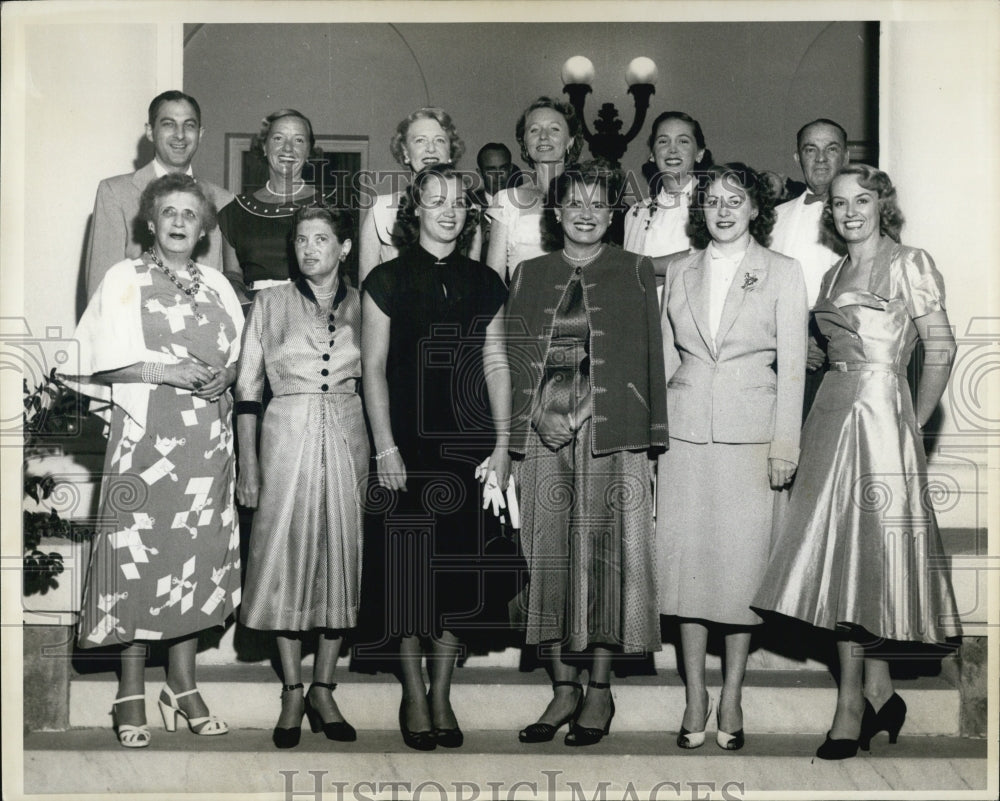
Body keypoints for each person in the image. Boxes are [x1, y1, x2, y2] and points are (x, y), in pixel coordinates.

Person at [752, 165, 961, 760]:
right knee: (838, 560)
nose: (849, 211)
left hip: (881, 421)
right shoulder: (833, 272)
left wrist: (913, 424)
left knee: (869, 558)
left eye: (861, 200)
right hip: (829, 416)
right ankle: (879, 691)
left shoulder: (909, 262)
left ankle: (851, 708)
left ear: (882, 205)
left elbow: (941, 348)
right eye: (840, 203)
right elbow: (821, 348)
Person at [70, 174, 244, 748]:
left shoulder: (218, 284)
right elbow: (89, 363)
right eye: (167, 211)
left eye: (189, 214)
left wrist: (229, 376)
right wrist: (161, 370)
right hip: (146, 440)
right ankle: (129, 693)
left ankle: (184, 686)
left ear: (203, 228)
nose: (177, 221)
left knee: (194, 555)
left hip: (208, 442)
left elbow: (239, 358)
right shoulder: (126, 278)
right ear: (150, 220)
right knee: (136, 561)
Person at [506, 161, 667, 747]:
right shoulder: (527, 272)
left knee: (605, 562)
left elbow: (652, 356)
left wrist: (652, 440)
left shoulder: (636, 270)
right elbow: (513, 358)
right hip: (543, 439)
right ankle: (562, 686)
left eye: (599, 204)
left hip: (612, 438)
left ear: (613, 212)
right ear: (555, 211)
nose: (586, 213)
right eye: (574, 203)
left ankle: (599, 689)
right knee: (546, 558)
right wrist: (513, 440)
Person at [656, 163, 808, 751]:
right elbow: (669, 360)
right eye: (713, 200)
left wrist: (784, 444)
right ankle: (695, 695)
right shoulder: (681, 271)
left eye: (734, 200)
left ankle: (734, 694)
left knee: (741, 573)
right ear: (701, 210)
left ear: (753, 210)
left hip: (753, 437)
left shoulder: (782, 272)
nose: (722, 210)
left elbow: (793, 363)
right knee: (686, 573)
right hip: (685, 436)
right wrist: (655, 440)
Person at [361, 164, 510, 751]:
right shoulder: (387, 280)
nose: (448, 209)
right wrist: (385, 446)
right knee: (408, 577)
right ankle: (414, 694)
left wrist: (502, 445)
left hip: (468, 445)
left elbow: (497, 362)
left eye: (458, 201)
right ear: (415, 209)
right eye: (436, 199)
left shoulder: (486, 281)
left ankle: (442, 693)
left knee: (454, 573)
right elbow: (372, 367)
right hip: (407, 445)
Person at [234, 206, 366, 749]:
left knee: (342, 553)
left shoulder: (365, 303)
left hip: (348, 434)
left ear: (345, 249)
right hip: (284, 435)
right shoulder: (268, 303)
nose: (309, 248)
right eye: (301, 239)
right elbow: (246, 389)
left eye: (322, 239)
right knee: (283, 556)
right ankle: (292, 689)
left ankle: (324, 688)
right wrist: (248, 463)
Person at [84, 90, 233, 298]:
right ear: (150, 131)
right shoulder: (115, 193)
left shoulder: (224, 200)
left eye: (189, 125)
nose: (180, 135)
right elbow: (100, 291)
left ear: (200, 133)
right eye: (168, 124)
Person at [219, 109, 330, 308]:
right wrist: (237, 295)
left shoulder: (328, 207)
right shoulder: (235, 211)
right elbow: (233, 274)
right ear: (264, 146)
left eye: (298, 141)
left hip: (309, 314)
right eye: (278, 138)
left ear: (309, 152)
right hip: (251, 313)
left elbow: (337, 277)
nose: (287, 149)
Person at [358, 107, 475, 283]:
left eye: (440, 140)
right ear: (405, 152)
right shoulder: (380, 209)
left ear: (450, 152)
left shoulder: (468, 208)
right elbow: (365, 284)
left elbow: (476, 281)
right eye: (420, 140)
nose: (431, 149)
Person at [486, 97, 584, 283]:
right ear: (524, 142)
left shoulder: (590, 198)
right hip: (523, 309)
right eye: (534, 130)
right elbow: (493, 280)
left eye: (554, 129)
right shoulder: (506, 200)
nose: (543, 136)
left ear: (570, 141)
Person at [623, 111, 713, 288]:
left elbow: (709, 258)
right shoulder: (636, 212)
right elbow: (629, 281)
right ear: (652, 154)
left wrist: (643, 269)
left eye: (683, 141)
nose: (672, 149)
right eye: (663, 141)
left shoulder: (713, 205)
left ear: (699, 154)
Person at [770, 119, 850, 305]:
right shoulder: (774, 218)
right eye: (810, 150)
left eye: (831, 149)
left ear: (846, 157)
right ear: (798, 158)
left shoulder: (865, 217)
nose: (820, 158)